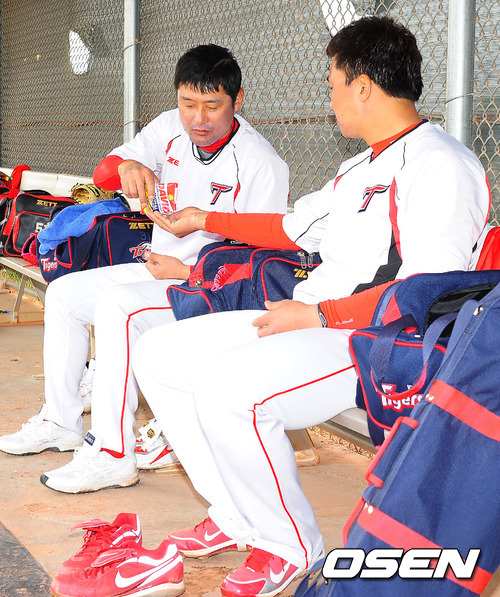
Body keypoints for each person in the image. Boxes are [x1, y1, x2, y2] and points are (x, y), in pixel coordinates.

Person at [128, 17, 490, 597]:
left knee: (228, 389)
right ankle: (236, 514)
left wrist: (322, 316)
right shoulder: (359, 166)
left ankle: (289, 545)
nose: (331, 97)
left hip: (372, 341)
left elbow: (428, 290)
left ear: (362, 86)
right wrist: (201, 219)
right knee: (159, 353)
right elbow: (291, 227)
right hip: (312, 316)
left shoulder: (439, 163)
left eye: (333, 84)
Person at [0, 44, 289, 494]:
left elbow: (258, 262)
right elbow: (103, 173)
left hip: (212, 290)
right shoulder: (170, 127)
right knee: (63, 296)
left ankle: (113, 454)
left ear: (238, 101)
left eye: (212, 106)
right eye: (188, 103)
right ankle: (60, 421)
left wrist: (187, 272)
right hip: (160, 272)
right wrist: (129, 164)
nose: (197, 118)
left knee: (119, 308)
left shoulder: (261, 163)